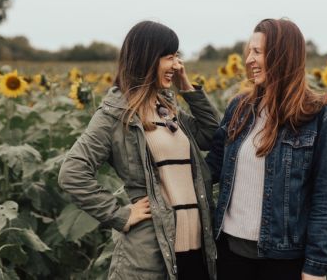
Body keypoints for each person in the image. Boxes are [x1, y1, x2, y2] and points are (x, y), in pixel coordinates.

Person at [59, 21, 219, 280]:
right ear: (148, 59)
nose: (177, 65)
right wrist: (119, 214)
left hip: (196, 251)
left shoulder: (166, 108)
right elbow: (72, 172)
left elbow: (212, 136)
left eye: (177, 56)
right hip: (151, 257)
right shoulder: (116, 114)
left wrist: (187, 87)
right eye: (169, 57)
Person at [206, 18, 327, 280]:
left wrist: (315, 267)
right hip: (230, 254)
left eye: (257, 52)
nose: (249, 59)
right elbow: (212, 167)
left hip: (283, 261)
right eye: (249, 51)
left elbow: (326, 198)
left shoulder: (319, 116)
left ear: (282, 55)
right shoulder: (240, 107)